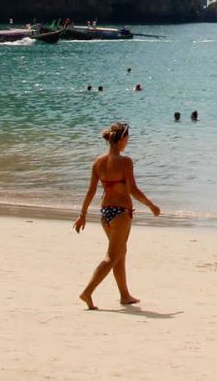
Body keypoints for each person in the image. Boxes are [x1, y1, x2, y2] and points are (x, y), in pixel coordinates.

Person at [74, 122, 160, 309]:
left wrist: (83, 214)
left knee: (120, 252)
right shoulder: (125, 161)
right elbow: (134, 190)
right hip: (121, 213)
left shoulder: (98, 162)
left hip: (105, 213)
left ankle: (124, 295)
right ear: (122, 139)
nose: (128, 141)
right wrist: (151, 205)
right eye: (128, 138)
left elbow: (90, 191)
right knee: (111, 256)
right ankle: (87, 292)